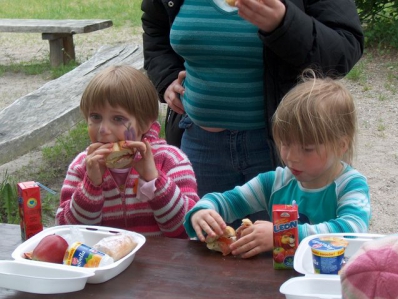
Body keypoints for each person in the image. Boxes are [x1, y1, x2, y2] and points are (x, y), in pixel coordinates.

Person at [141, 0, 365, 203]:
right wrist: (167, 77)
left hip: (284, 147)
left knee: (286, 241)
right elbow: (155, 27)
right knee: (205, 240)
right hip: (199, 144)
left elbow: (344, 50)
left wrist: (284, 24)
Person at [183, 72, 371, 258]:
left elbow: (352, 231)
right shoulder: (274, 182)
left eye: (307, 149)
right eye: (285, 144)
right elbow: (230, 201)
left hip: (331, 283)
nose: (291, 158)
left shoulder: (351, 185)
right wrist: (202, 212)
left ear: (341, 145)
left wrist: (282, 235)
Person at [55, 65, 199, 238]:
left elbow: (185, 229)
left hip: (160, 263)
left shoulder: (171, 160)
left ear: (145, 123)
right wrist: (91, 186)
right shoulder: (82, 165)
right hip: (104, 262)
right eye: (95, 117)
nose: (103, 129)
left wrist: (155, 180)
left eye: (118, 119)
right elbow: (68, 232)